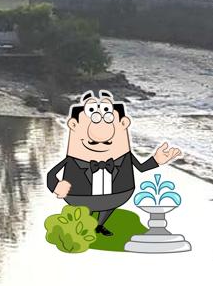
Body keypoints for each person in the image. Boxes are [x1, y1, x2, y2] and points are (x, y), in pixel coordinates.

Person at [46, 90, 182, 236]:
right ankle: (85, 225)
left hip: (117, 194)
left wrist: (156, 160)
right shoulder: (73, 159)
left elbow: (141, 168)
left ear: (123, 123)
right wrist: (56, 186)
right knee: (87, 211)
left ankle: (99, 226)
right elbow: (51, 174)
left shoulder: (124, 156)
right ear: (74, 125)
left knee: (108, 207)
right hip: (80, 195)